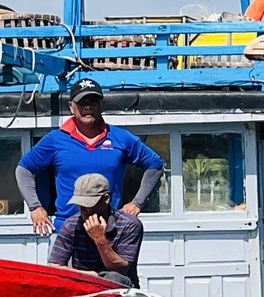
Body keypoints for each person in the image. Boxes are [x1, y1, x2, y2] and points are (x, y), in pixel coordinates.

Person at [16, 76, 164, 236]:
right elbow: (24, 169)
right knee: (58, 263)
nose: (88, 107)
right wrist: (35, 207)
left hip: (109, 231)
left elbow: (155, 164)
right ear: (71, 107)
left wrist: (137, 203)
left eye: (93, 101)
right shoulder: (55, 139)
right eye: (82, 102)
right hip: (67, 232)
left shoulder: (121, 138)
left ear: (102, 105)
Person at [47, 173, 142, 283]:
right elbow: (54, 267)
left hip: (120, 290)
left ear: (106, 199)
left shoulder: (129, 225)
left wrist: (100, 239)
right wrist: (91, 276)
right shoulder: (71, 225)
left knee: (113, 278)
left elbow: (121, 269)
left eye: (88, 206)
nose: (82, 211)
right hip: (83, 284)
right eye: (79, 205)